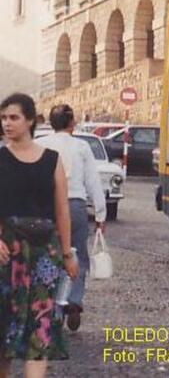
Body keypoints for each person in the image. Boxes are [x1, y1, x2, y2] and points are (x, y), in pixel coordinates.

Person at [0, 93, 77, 377]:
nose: (7, 123)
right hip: (7, 252)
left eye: (13, 117)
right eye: (4, 118)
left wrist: (67, 254)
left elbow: (62, 211)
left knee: (40, 323)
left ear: (30, 120)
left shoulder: (52, 160)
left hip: (45, 252)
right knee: (4, 325)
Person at [35, 104, 106, 332]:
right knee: (77, 255)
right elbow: (93, 181)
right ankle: (74, 299)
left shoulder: (41, 144)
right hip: (75, 205)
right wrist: (100, 214)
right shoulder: (82, 146)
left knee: (50, 256)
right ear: (72, 123)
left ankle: (54, 306)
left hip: (49, 206)